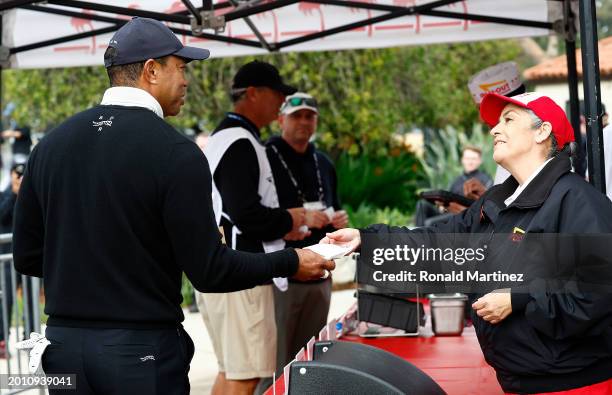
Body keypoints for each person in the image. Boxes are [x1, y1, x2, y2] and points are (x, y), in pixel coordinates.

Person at [12, 18, 333, 395]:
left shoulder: (50, 146)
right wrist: (293, 261)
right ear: (151, 70)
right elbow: (210, 272)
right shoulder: (174, 151)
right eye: (179, 68)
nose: (186, 81)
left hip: (64, 348)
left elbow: (28, 257)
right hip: (139, 351)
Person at [323, 92, 612, 394]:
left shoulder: (578, 200)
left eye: (508, 119)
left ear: (543, 131)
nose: (494, 130)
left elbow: (598, 291)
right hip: (523, 379)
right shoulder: (498, 199)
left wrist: (519, 297)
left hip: (573, 384)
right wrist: (367, 240)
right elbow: (439, 243)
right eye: (496, 122)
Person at [198, 60, 310, 395]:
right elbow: (245, 214)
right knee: (245, 376)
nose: (281, 102)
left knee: (232, 371)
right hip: (242, 272)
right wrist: (291, 219)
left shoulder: (226, 136)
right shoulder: (239, 141)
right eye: (277, 93)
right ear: (253, 93)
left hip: (227, 268)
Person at [266, 92, 349, 376]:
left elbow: (333, 205)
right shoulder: (268, 156)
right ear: (280, 120)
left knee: (311, 359)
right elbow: (258, 214)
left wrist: (338, 219)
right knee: (277, 361)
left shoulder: (322, 161)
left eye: (309, 116)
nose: (303, 122)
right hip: (282, 274)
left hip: (320, 270)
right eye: (296, 116)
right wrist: (299, 216)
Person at [415, 146, 492, 226]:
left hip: (464, 213)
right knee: (421, 204)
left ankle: (422, 236)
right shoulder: (457, 180)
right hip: (448, 212)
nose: (470, 162)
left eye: (473, 159)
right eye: (467, 158)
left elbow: (486, 205)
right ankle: (415, 237)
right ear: (462, 160)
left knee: (429, 223)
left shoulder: (486, 180)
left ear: (480, 161)